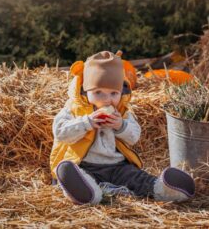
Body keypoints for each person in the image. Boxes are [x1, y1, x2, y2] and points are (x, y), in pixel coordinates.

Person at [50, 51, 195, 204]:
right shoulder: (74, 109)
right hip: (85, 165)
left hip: (117, 166)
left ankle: (165, 189)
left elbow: (134, 137)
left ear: (121, 91)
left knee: (136, 177)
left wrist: (121, 126)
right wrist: (87, 122)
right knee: (82, 177)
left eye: (114, 93)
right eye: (98, 92)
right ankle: (88, 194)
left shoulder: (122, 112)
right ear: (85, 90)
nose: (107, 99)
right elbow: (60, 132)